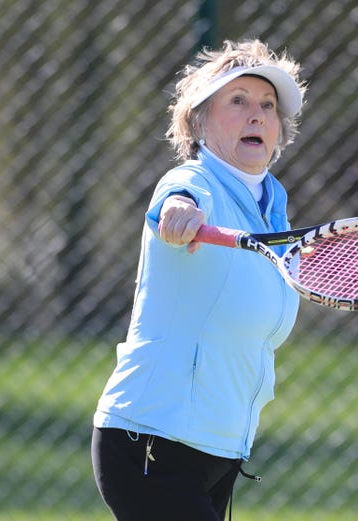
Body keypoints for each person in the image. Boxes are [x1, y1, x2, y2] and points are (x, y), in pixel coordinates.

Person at [91, 39, 307, 521]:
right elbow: (178, 196)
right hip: (151, 441)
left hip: (219, 449)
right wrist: (180, 212)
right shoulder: (195, 180)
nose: (257, 115)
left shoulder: (272, 213)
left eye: (268, 106)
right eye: (238, 101)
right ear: (198, 121)